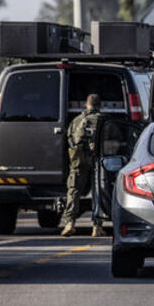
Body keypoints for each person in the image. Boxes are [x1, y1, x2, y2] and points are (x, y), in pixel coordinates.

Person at [61, 94, 105, 237]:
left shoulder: (77, 120)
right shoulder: (104, 120)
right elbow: (114, 139)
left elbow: (69, 140)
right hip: (98, 161)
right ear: (99, 106)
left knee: (73, 191)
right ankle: (97, 227)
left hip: (78, 160)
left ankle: (69, 223)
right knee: (99, 192)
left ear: (86, 105)